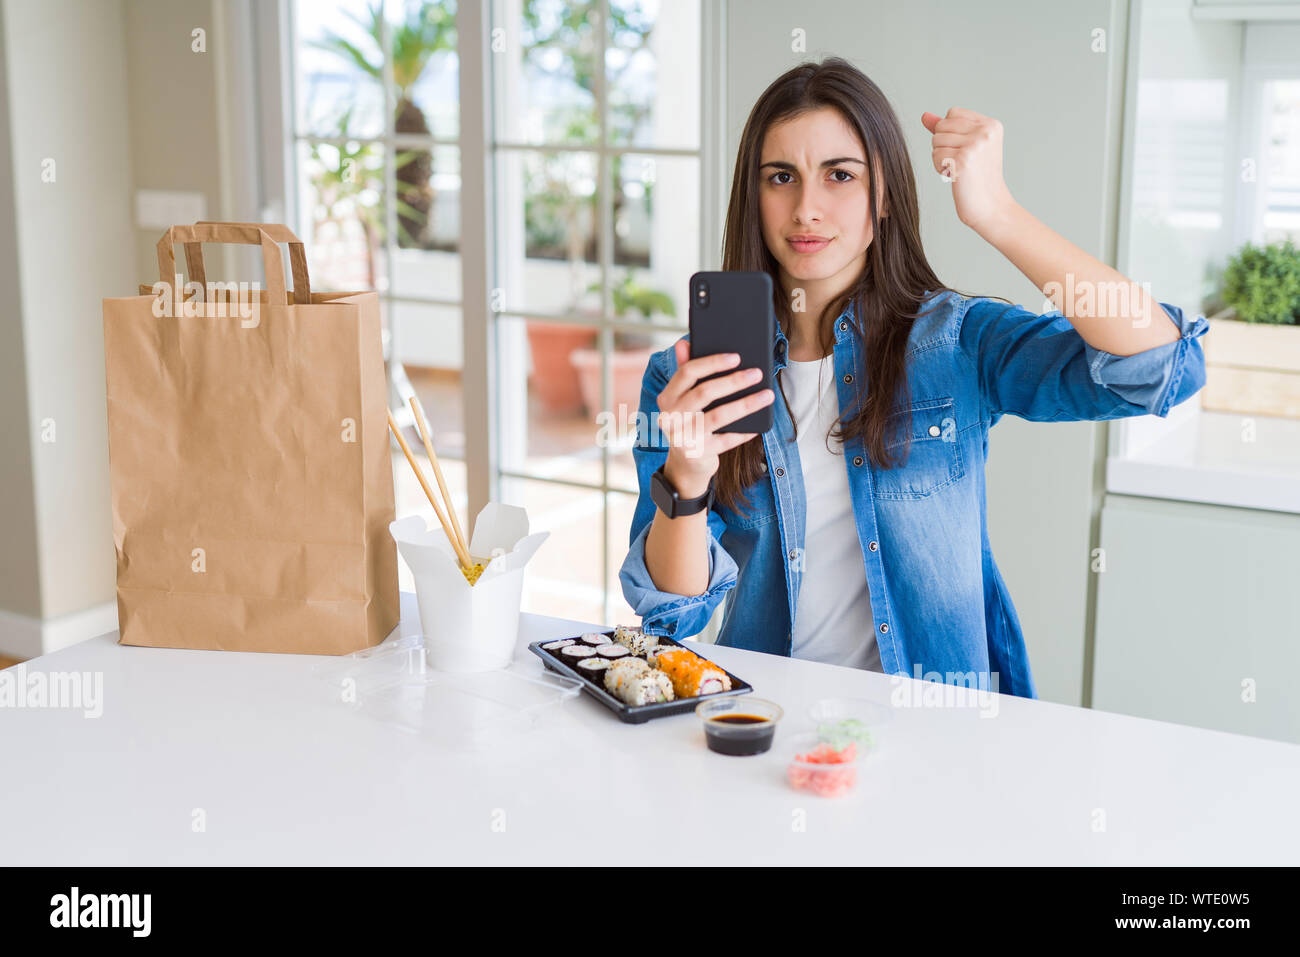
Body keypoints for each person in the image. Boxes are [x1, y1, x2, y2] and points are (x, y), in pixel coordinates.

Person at [617, 56, 1208, 698]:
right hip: (766, 724)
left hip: (938, 731)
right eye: (780, 176)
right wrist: (688, 476)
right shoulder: (684, 380)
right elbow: (672, 614)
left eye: (840, 175)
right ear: (752, 197)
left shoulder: (957, 341)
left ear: (886, 197)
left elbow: (1160, 369)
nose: (806, 208)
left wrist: (997, 213)